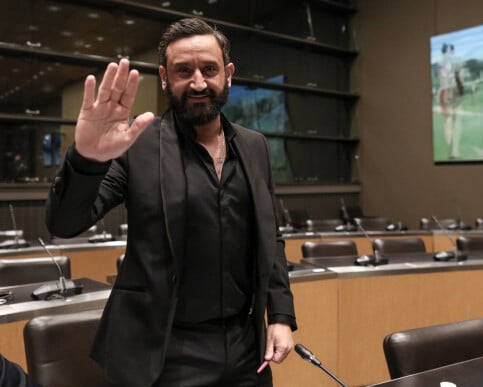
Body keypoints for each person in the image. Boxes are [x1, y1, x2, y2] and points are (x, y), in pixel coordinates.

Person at [45, 17, 296, 387]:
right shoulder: (137, 145)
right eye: (183, 71)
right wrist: (87, 159)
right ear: (165, 78)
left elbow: (269, 237)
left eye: (209, 69)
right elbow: (65, 224)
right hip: (164, 352)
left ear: (228, 74)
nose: (198, 82)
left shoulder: (255, 145)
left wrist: (280, 315)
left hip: (246, 348)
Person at [438, 43, 463, 159]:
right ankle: (453, 151)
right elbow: (455, 79)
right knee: (454, 122)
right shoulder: (451, 63)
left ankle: (452, 151)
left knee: (449, 123)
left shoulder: (441, 62)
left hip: (446, 93)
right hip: (450, 92)